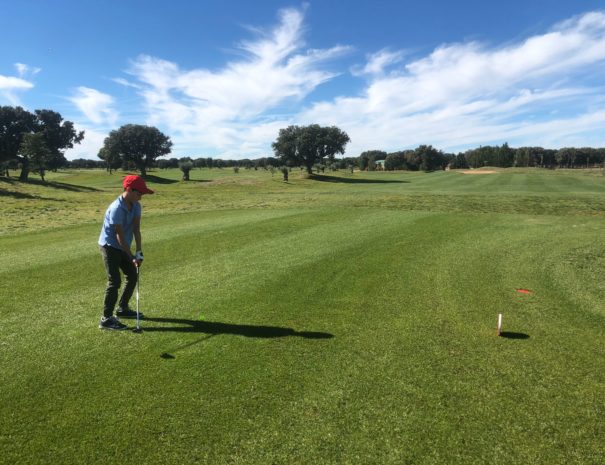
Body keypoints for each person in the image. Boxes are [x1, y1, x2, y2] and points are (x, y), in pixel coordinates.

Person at [98, 175, 154, 330]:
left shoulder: (136, 205)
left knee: (132, 275)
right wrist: (131, 257)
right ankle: (106, 318)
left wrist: (139, 252)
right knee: (114, 281)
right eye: (139, 193)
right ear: (129, 189)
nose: (141, 197)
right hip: (109, 246)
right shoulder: (116, 208)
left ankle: (122, 308)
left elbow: (136, 228)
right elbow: (119, 236)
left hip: (124, 246)